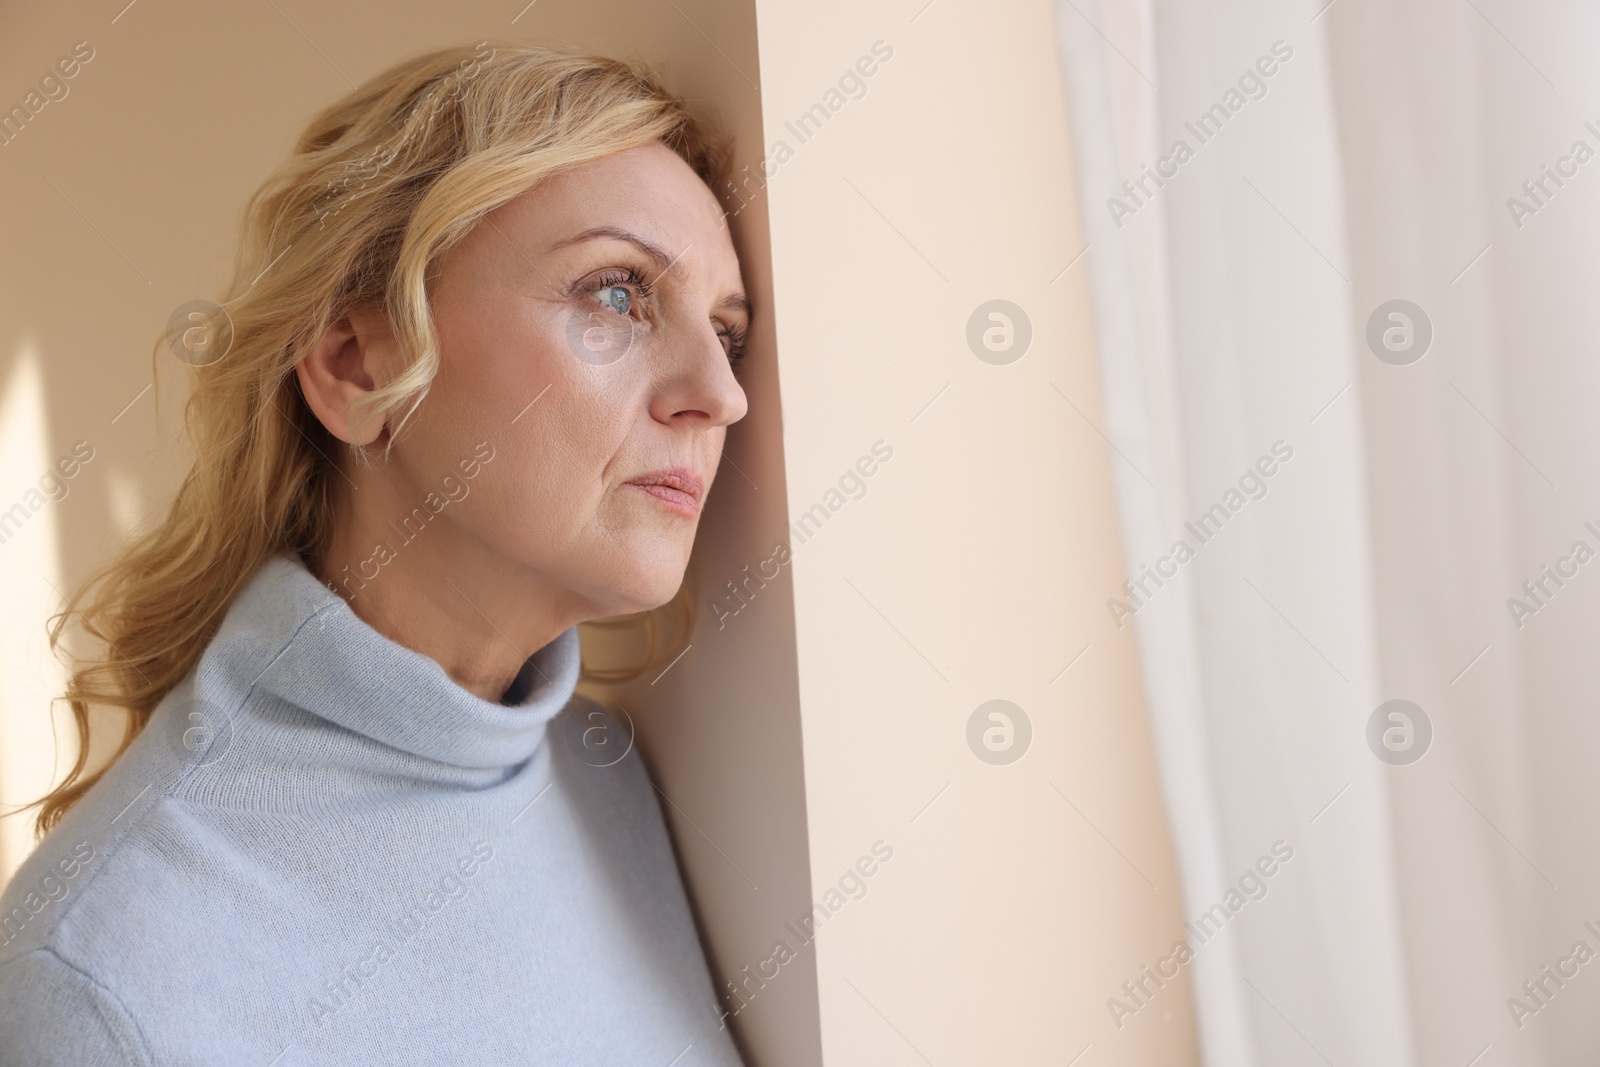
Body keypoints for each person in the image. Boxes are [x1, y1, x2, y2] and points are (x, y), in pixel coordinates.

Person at [0, 40, 750, 1065]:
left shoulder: (609, 782)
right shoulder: (99, 974)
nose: (721, 394)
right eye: (617, 293)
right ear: (356, 366)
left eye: (729, 331)